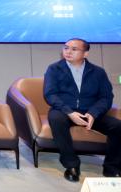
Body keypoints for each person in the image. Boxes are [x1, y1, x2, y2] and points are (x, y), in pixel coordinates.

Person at [44, 38, 121, 182]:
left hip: (89, 112)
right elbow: (50, 94)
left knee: (117, 126)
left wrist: (93, 113)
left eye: (74, 49)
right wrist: (69, 112)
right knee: (56, 119)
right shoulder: (54, 69)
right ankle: (71, 165)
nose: (68, 51)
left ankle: (112, 167)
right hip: (64, 111)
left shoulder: (98, 72)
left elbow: (106, 97)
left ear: (85, 54)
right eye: (66, 48)